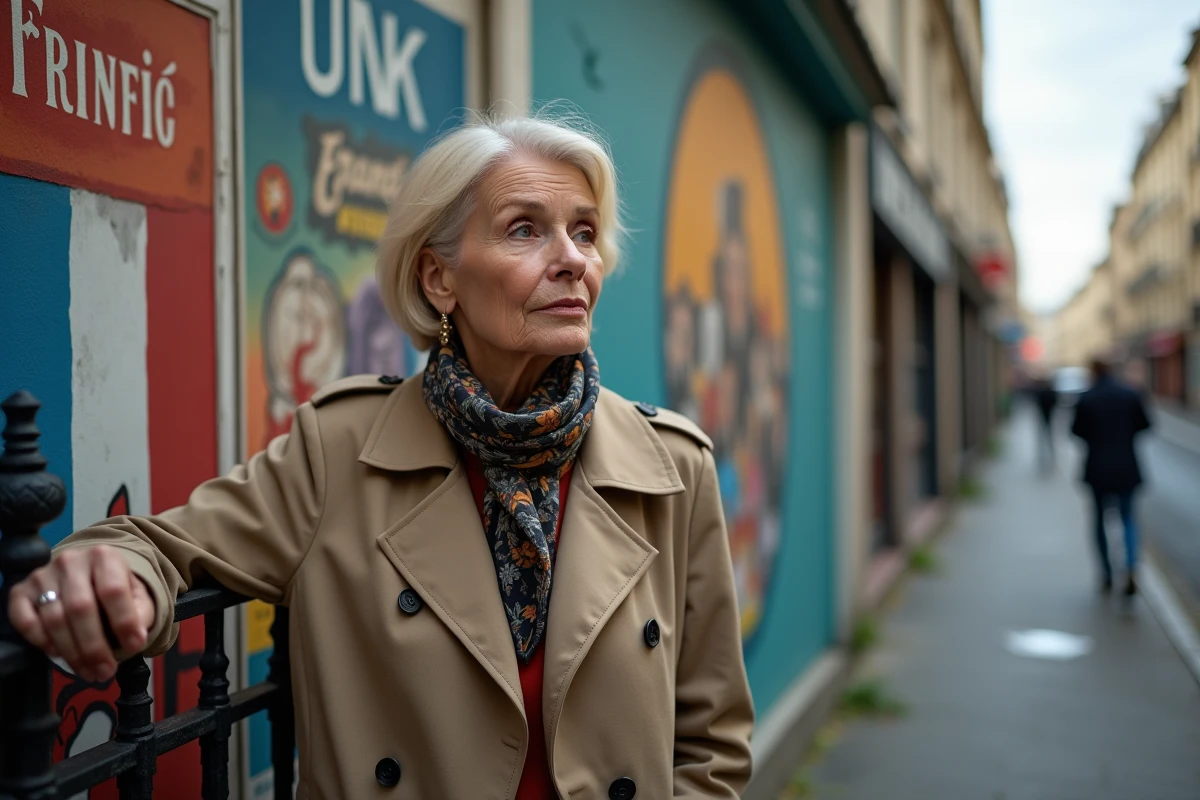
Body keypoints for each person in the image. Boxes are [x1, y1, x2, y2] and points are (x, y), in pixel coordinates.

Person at [7, 114, 754, 798]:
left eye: (585, 233)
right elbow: (156, 547)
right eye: (526, 230)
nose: (571, 260)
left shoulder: (671, 466)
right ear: (439, 278)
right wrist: (112, 573)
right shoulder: (341, 449)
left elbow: (713, 744)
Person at [1070, 358, 1152, 596]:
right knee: (1128, 518)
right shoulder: (1130, 395)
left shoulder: (1087, 397)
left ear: (1093, 372)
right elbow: (1145, 425)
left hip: (1097, 468)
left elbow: (1076, 431)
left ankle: (1106, 572)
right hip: (1127, 467)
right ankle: (1130, 566)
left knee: (1099, 521)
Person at [1032, 374, 1059, 468]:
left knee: (1044, 437)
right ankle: (1051, 455)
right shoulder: (1051, 392)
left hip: (1044, 416)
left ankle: (1045, 455)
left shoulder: (1042, 392)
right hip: (1049, 416)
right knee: (1049, 437)